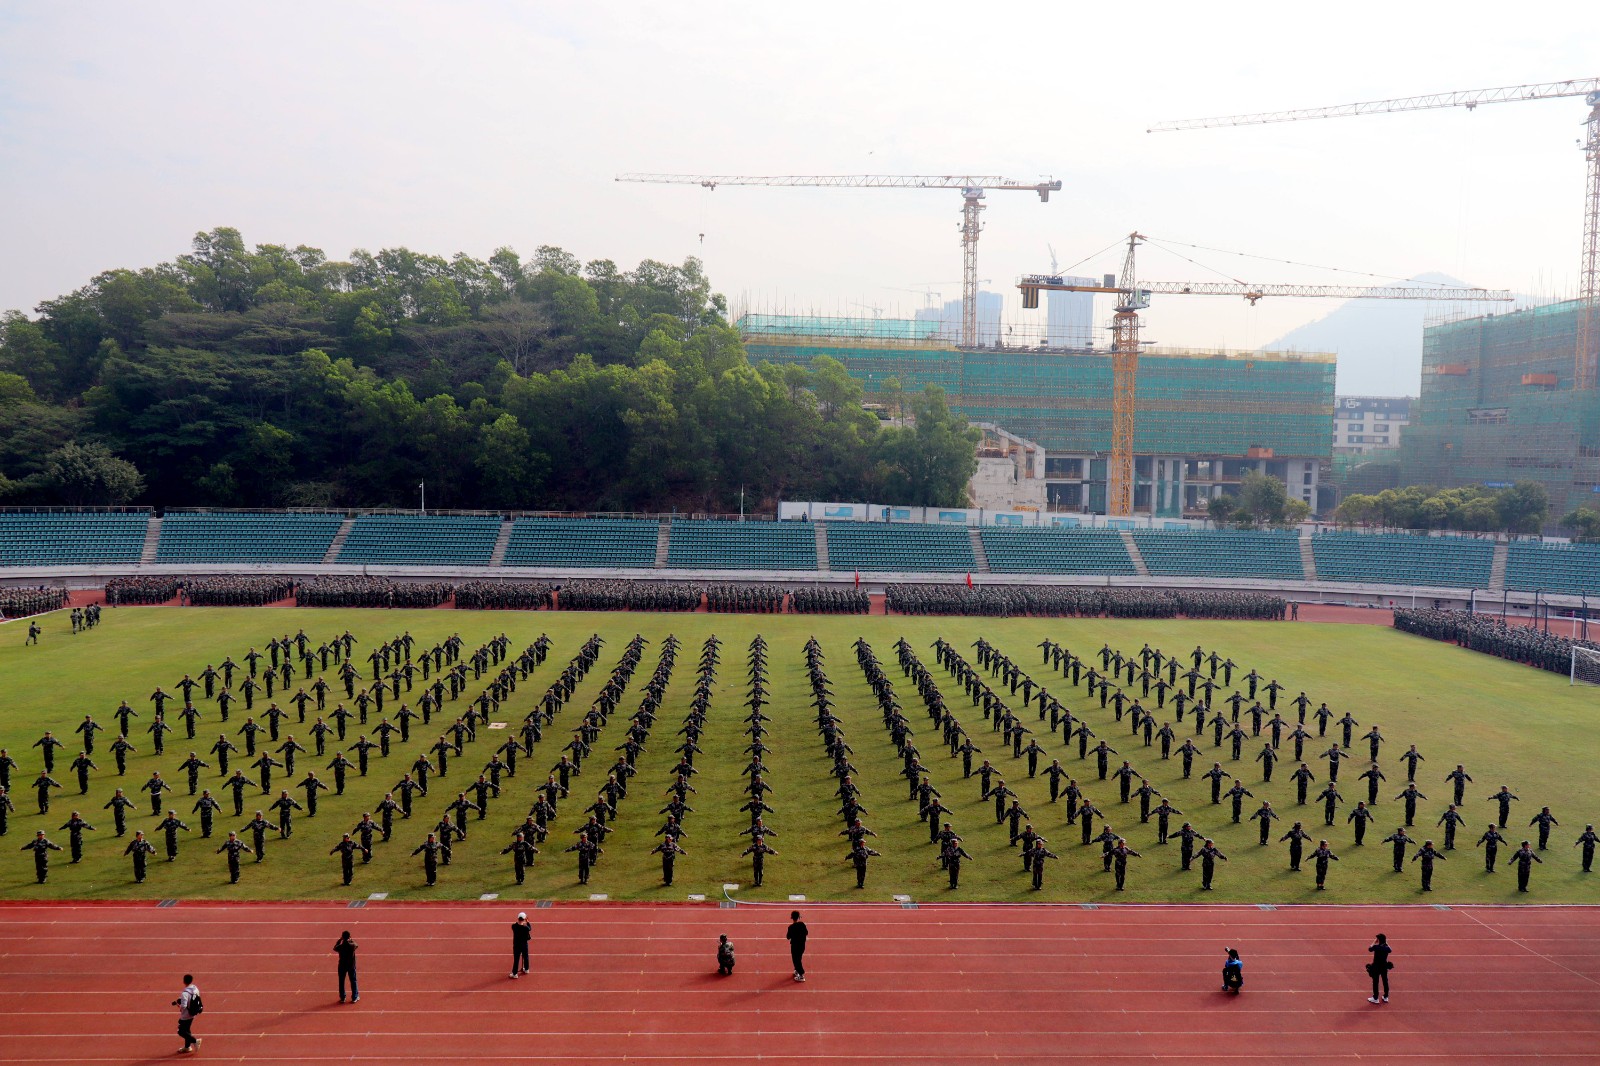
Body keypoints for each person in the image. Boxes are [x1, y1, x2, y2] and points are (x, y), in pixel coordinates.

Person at [173, 973, 202, 1053]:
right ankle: (187, 1047)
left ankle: (195, 1041)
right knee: (187, 1030)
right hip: (193, 1012)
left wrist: (179, 1006)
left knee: (181, 1031)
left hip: (186, 1015)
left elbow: (184, 1006)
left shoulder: (185, 993)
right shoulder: (195, 988)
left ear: (184, 981)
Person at [334, 931, 359, 1003]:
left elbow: (335, 948)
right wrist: (351, 940)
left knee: (341, 981)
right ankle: (354, 997)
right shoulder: (352, 946)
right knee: (353, 981)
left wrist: (339, 940)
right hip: (351, 965)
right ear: (349, 936)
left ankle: (342, 997)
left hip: (342, 965)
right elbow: (356, 945)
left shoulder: (341, 946)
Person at [1366, 934, 1392, 1004]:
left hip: (1376, 966)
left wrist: (1374, 942)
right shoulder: (1387, 948)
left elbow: (1370, 949)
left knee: (1375, 982)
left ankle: (1375, 998)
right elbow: (1390, 950)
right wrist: (1386, 943)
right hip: (1384, 966)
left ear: (1379, 940)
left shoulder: (1376, 947)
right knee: (1385, 981)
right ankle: (1386, 996)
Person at [786, 910, 808, 982]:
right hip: (802, 945)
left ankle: (801, 975)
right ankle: (797, 970)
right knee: (799, 958)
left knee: (796, 960)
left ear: (792, 918)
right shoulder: (802, 924)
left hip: (795, 946)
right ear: (799, 917)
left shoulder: (791, 927)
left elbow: (788, 937)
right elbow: (806, 933)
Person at [511, 912, 532, 978]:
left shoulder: (514, 926)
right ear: (524, 919)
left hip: (517, 945)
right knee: (526, 957)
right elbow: (530, 928)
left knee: (516, 959)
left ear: (518, 918)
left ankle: (515, 973)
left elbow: (515, 924)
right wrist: (527, 922)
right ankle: (526, 969)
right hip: (524, 945)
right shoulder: (526, 928)